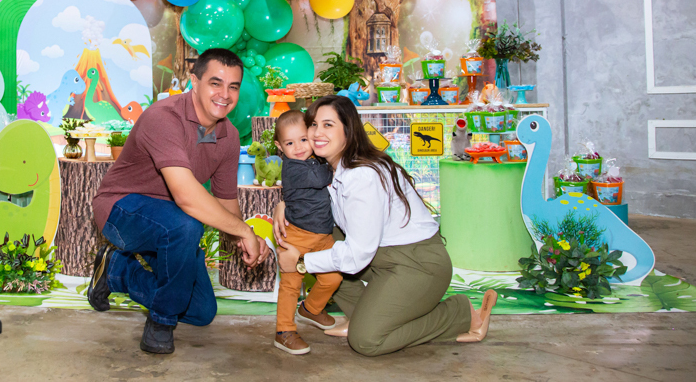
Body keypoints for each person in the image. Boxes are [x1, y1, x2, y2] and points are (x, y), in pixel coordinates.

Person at [274, 95, 497, 357]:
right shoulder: (330, 166)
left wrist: (301, 262)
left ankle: (458, 314)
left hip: (419, 264)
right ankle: (370, 315)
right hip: (383, 254)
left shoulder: (363, 175)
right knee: (321, 235)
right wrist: (284, 204)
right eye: (313, 124)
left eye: (328, 125)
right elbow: (316, 206)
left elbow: (357, 255)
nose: (317, 133)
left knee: (366, 340)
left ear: (348, 130)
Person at [88, 48, 269, 355]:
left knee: (201, 311)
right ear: (194, 82)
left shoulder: (228, 137)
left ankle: (117, 270)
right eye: (215, 83)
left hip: (172, 224)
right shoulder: (163, 117)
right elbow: (186, 196)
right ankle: (161, 321)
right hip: (122, 210)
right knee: (186, 224)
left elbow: (226, 201)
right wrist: (243, 231)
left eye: (233, 86)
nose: (225, 95)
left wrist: (246, 237)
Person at [270, 109, 343, 355]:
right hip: (297, 235)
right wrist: (334, 159)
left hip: (323, 235)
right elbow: (321, 177)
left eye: (303, 139)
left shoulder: (312, 160)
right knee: (291, 285)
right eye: (290, 143)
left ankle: (310, 309)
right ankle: (284, 331)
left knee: (333, 278)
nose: (299, 147)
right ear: (280, 146)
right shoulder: (293, 168)